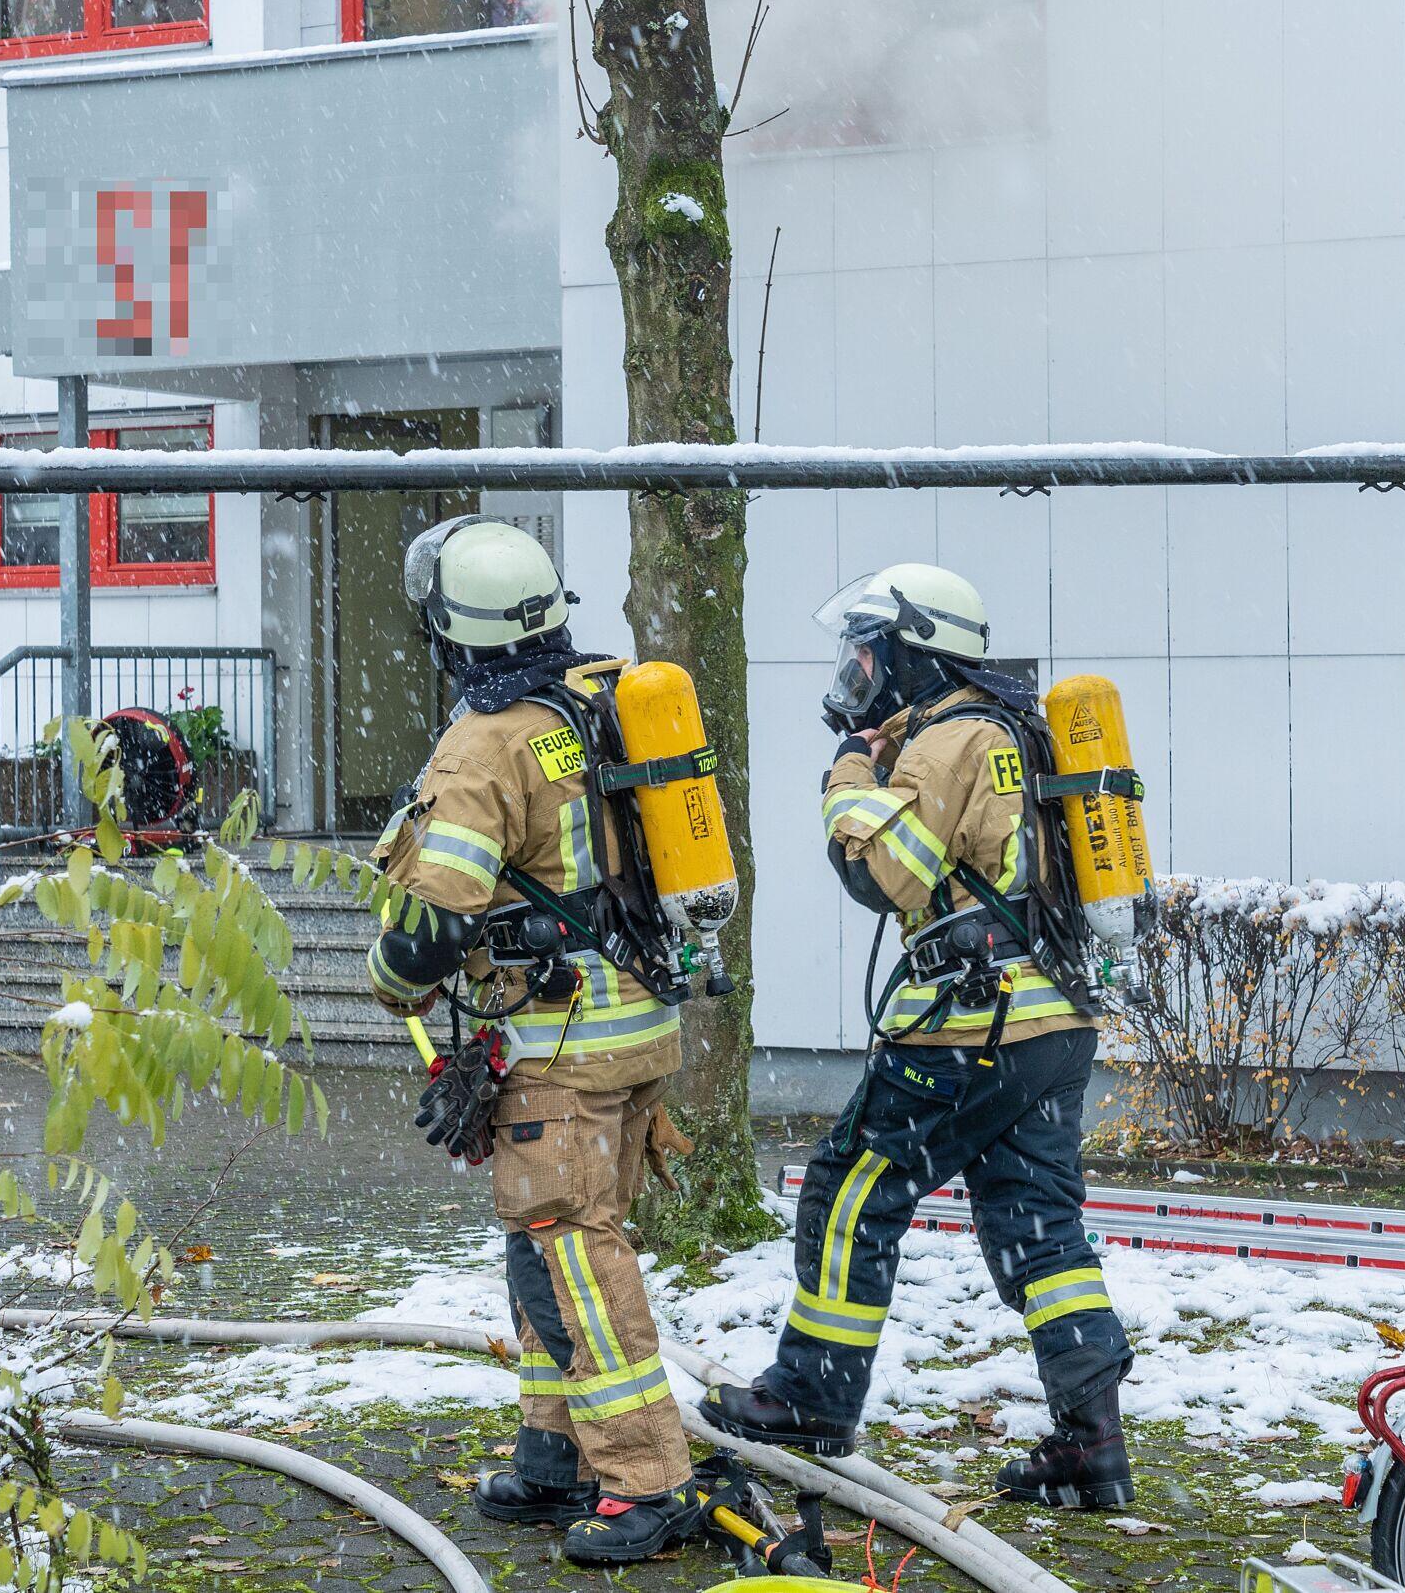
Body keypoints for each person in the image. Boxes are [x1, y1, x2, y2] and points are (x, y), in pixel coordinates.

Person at [701, 564, 1137, 1509]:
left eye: (869, 648)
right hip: (1050, 1022)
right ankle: (1092, 1440)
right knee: (1039, 1228)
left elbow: (883, 876)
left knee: (851, 1190)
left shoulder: (948, 740)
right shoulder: (1014, 727)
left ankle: (813, 1395)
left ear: (910, 652)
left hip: (964, 1026)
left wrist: (847, 773)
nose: (857, 667)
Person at [366, 516, 703, 1566]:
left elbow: (432, 923)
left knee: (575, 1257)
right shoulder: (601, 700)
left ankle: (647, 1484)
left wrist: (386, 981)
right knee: (543, 1249)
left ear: (452, 638)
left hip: (562, 1047)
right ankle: (554, 1457)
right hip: (637, 1022)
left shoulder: (486, 743)